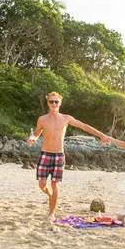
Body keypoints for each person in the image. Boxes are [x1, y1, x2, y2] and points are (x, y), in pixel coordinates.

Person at [27, 92, 110, 221]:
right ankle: (50, 196)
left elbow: (84, 126)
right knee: (42, 184)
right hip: (45, 154)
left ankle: (52, 213)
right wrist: (32, 140)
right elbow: (36, 134)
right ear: (48, 103)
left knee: (55, 185)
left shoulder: (66, 118)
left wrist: (101, 135)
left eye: (56, 102)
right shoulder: (42, 119)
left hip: (59, 155)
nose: (54, 104)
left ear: (60, 103)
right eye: (51, 102)